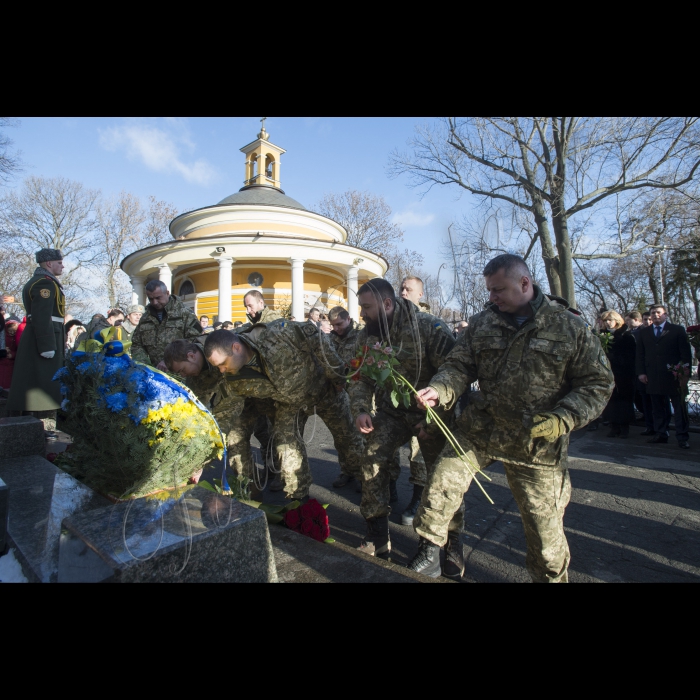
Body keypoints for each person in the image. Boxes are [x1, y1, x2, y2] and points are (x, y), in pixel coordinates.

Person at [407, 254, 613, 582]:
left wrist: (564, 417)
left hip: (536, 442)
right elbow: (459, 365)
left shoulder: (569, 326)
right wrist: (440, 389)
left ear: (525, 283)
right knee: (441, 484)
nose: (492, 297)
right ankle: (434, 549)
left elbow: (598, 383)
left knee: (545, 538)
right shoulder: (482, 323)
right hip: (483, 429)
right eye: (489, 290)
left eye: (498, 290)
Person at [346, 278, 456, 559]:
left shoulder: (429, 328)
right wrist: (360, 409)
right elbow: (359, 377)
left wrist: (433, 419)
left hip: (430, 415)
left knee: (443, 476)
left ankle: (448, 545)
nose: (362, 314)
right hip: (392, 413)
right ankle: (377, 535)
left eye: (367, 307)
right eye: (361, 307)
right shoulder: (367, 335)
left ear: (387, 304)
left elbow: (456, 377)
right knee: (371, 455)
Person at [203, 324, 364, 503]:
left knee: (348, 437)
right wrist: (202, 456)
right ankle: (299, 498)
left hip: (326, 390)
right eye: (217, 367)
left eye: (223, 363)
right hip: (290, 404)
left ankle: (359, 474)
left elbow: (315, 337)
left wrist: (337, 374)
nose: (222, 370)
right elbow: (225, 413)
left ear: (236, 347)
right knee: (286, 446)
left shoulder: (278, 335)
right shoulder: (233, 378)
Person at [6, 249, 68, 437]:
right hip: (45, 338)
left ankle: (35, 427)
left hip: (46, 336)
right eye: (59, 262)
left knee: (39, 382)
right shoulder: (44, 284)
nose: (62, 265)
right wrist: (47, 345)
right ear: (48, 263)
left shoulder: (44, 282)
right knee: (43, 385)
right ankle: (40, 428)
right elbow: (42, 317)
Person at [636, 304, 692, 449]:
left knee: (679, 408)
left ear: (665, 314)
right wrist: (641, 372)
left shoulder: (677, 330)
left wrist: (685, 374)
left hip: (674, 376)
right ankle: (661, 433)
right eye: (653, 313)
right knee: (658, 408)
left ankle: (682, 436)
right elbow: (640, 355)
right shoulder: (644, 333)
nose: (655, 315)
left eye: (658, 312)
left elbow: (685, 354)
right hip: (653, 376)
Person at [327, 305, 365, 490]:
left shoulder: (362, 335)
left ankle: (362, 475)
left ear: (348, 319)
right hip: (338, 394)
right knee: (341, 435)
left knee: (360, 436)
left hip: (359, 393)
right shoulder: (331, 339)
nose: (336, 328)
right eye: (333, 325)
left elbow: (366, 365)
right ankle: (347, 471)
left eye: (339, 324)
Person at [130, 280, 203, 370]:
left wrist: (171, 360)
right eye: (151, 299)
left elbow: (196, 340)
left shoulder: (185, 314)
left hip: (181, 373)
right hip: (154, 373)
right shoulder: (145, 318)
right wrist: (145, 365)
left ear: (167, 293)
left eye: (158, 298)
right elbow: (137, 344)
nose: (155, 302)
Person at [600, 310, 636, 437]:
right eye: (605, 321)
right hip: (607, 373)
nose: (608, 323)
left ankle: (624, 427)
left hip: (623, 374)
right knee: (611, 400)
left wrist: (615, 357)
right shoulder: (601, 335)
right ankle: (613, 425)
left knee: (624, 401)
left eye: (610, 320)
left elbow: (631, 356)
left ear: (617, 321)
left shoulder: (626, 336)